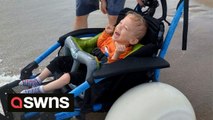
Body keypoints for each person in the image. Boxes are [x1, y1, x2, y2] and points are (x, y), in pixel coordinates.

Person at [19, 11, 148, 93]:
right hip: (84, 62)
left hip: (93, 74)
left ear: (132, 40)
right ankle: (38, 79)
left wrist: (117, 54)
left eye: (124, 28)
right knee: (59, 61)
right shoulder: (111, 39)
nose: (119, 26)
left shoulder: (124, 51)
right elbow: (99, 43)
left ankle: (40, 90)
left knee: (67, 77)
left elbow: (111, 67)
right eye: (120, 23)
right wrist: (105, 33)